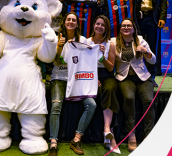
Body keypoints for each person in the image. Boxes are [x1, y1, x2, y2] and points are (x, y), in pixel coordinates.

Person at [48, 12, 97, 156]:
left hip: (77, 80)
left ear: (77, 24)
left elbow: (89, 61)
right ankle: (53, 142)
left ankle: (76, 139)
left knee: (92, 104)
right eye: (68, 19)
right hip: (58, 77)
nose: (70, 22)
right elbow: (56, 62)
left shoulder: (83, 40)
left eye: (73, 20)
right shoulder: (57, 38)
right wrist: (59, 47)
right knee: (56, 105)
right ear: (64, 22)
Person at [110, 18, 156, 152]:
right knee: (129, 98)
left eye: (129, 25)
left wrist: (146, 52)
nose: (126, 27)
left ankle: (149, 136)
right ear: (120, 29)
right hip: (124, 78)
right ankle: (131, 136)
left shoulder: (140, 40)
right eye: (123, 25)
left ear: (133, 28)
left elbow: (153, 61)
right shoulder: (113, 42)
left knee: (148, 100)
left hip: (142, 77)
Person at [81, 15, 120, 154]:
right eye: (97, 24)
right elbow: (82, 63)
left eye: (102, 25)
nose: (99, 26)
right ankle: (110, 136)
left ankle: (107, 129)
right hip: (91, 73)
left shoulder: (110, 44)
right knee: (99, 91)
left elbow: (110, 68)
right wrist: (91, 77)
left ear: (106, 28)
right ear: (93, 25)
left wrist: (102, 56)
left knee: (109, 90)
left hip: (106, 74)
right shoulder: (86, 42)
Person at [128, 0, 167, 87]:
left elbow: (163, 1)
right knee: (137, 46)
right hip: (138, 18)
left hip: (152, 18)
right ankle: (137, 74)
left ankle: (152, 76)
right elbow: (130, 2)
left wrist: (162, 18)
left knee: (152, 47)